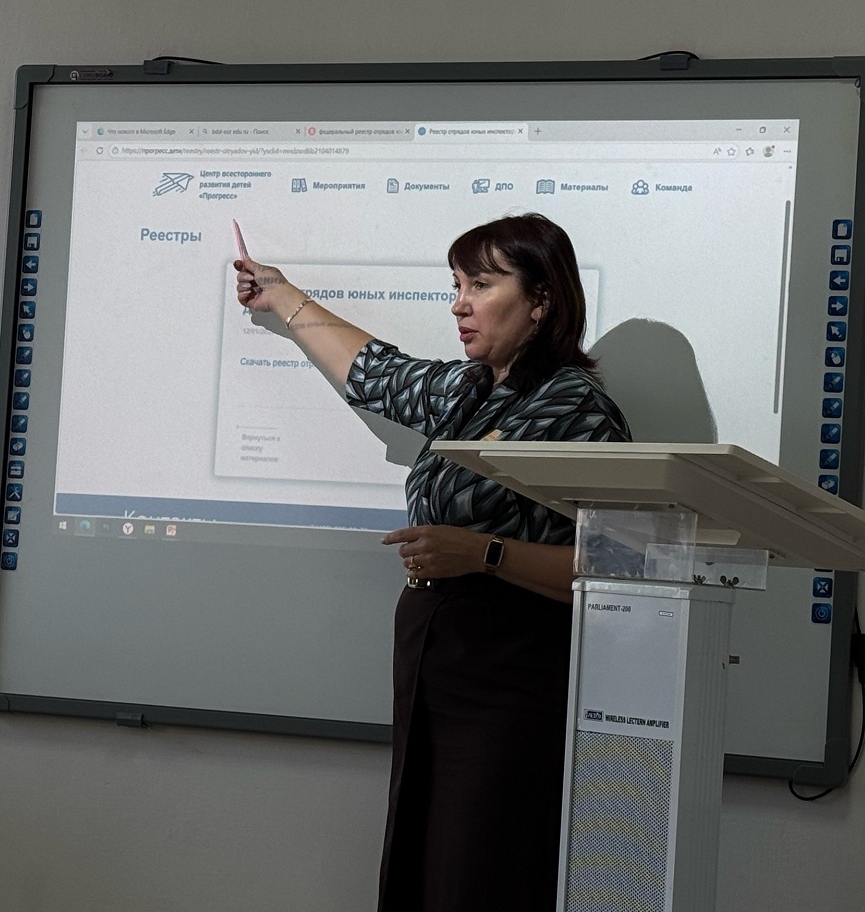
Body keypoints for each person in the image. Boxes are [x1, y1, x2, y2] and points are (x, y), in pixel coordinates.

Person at [235, 213, 631, 912]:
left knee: (480, 866)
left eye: (480, 285)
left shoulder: (580, 409)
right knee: (426, 858)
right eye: (456, 285)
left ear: (541, 300)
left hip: (511, 671)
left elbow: (614, 568)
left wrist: (484, 553)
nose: (459, 304)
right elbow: (373, 372)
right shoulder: (471, 389)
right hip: (436, 660)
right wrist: (280, 293)